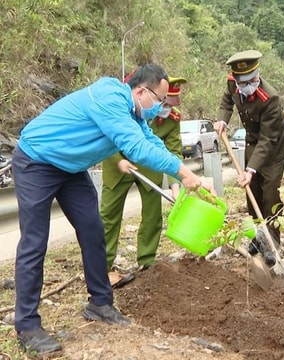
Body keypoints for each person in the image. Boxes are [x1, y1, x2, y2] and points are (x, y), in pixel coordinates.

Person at [12, 64, 212, 356]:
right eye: (160, 100)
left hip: (71, 168)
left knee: (93, 228)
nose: (161, 107)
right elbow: (136, 148)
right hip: (37, 160)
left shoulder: (134, 112)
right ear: (141, 91)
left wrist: (188, 174)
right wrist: (183, 173)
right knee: (35, 241)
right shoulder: (109, 97)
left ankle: (100, 304)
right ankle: (27, 325)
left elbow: (150, 141)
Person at [100, 75, 187, 286]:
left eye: (170, 105)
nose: (165, 109)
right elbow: (106, 133)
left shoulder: (172, 118)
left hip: (149, 169)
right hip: (117, 163)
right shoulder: (125, 106)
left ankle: (147, 260)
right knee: (108, 216)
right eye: (164, 103)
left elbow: (173, 150)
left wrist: (176, 184)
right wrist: (118, 160)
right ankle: (103, 266)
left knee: (152, 216)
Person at [214, 50, 284, 266]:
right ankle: (259, 235)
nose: (249, 85)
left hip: (273, 148)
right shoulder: (232, 84)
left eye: (253, 80)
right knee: (252, 194)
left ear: (258, 75)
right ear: (236, 80)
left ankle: (272, 243)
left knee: (270, 196)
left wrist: (250, 169)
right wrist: (222, 120)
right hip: (252, 143)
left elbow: (268, 139)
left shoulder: (270, 98)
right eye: (244, 82)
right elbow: (227, 101)